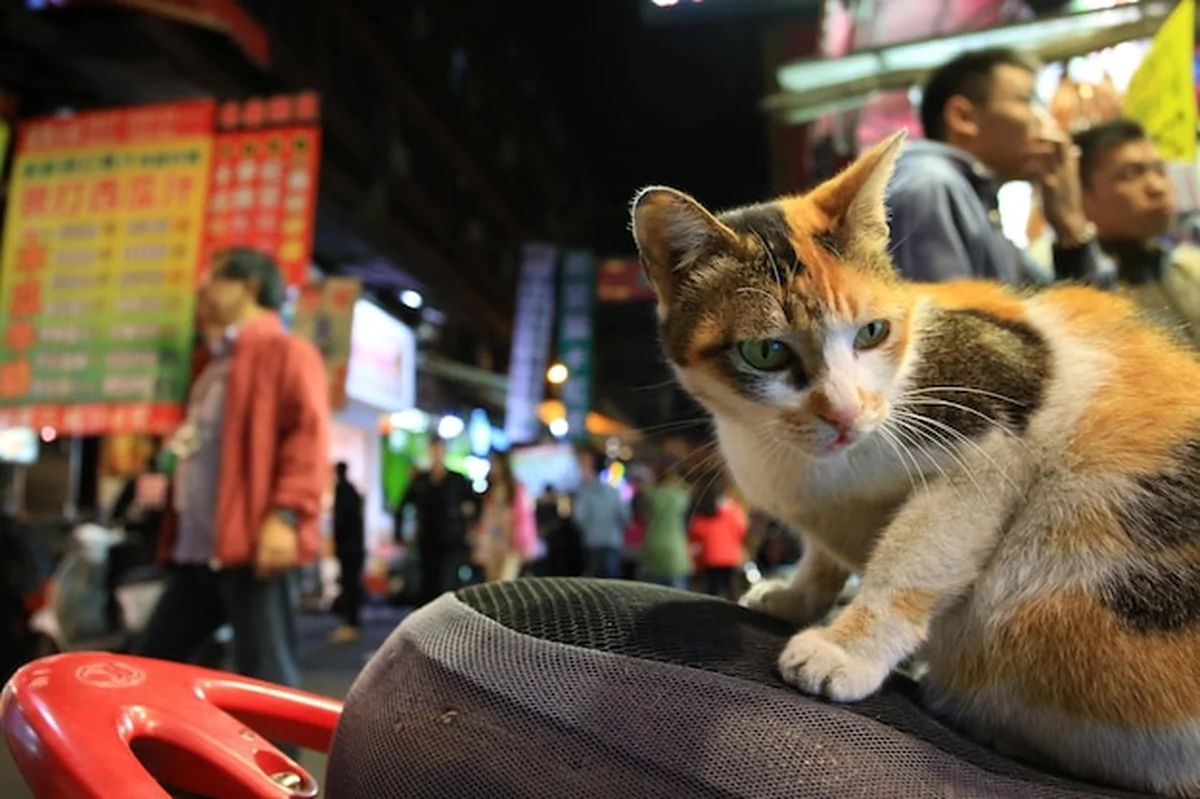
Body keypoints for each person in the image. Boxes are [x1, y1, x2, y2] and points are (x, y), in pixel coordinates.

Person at [139, 247, 331, 697]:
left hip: (253, 548)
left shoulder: (286, 351)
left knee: (265, 683)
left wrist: (285, 516)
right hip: (199, 550)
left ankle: (276, 751)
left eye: (213, 279)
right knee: (150, 666)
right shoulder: (213, 362)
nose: (202, 289)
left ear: (247, 287)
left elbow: (308, 438)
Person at [888, 47, 1104, 286]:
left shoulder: (973, 200)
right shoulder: (931, 185)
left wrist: (1069, 227)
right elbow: (947, 310)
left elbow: (1059, 306)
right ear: (963, 117)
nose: (1046, 120)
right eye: (1028, 100)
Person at [1074, 118, 1200, 343]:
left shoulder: (1187, 267)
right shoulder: (1077, 288)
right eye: (1131, 174)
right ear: (1081, 194)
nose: (1157, 187)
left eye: (1160, 170)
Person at [394, 437, 480, 605]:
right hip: (427, 541)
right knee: (426, 585)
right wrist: (399, 535)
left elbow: (475, 504)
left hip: (451, 542)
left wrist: (468, 523)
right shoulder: (420, 480)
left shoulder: (457, 480)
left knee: (447, 585)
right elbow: (402, 506)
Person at [571, 449, 630, 579]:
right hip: (612, 541)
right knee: (612, 582)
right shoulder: (615, 492)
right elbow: (625, 516)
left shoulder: (585, 492)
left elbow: (578, 517)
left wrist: (586, 530)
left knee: (594, 582)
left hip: (591, 541)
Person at [639, 464, 693, 590]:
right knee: (679, 594)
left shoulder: (651, 494)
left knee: (652, 592)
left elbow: (642, 516)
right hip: (676, 548)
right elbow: (689, 489)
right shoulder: (682, 496)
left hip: (653, 545)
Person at [330, 461, 365, 643]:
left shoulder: (342, 491)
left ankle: (351, 624)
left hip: (348, 547)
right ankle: (352, 623)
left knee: (349, 584)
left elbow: (340, 521)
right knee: (351, 584)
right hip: (355, 546)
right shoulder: (352, 491)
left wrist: (336, 543)